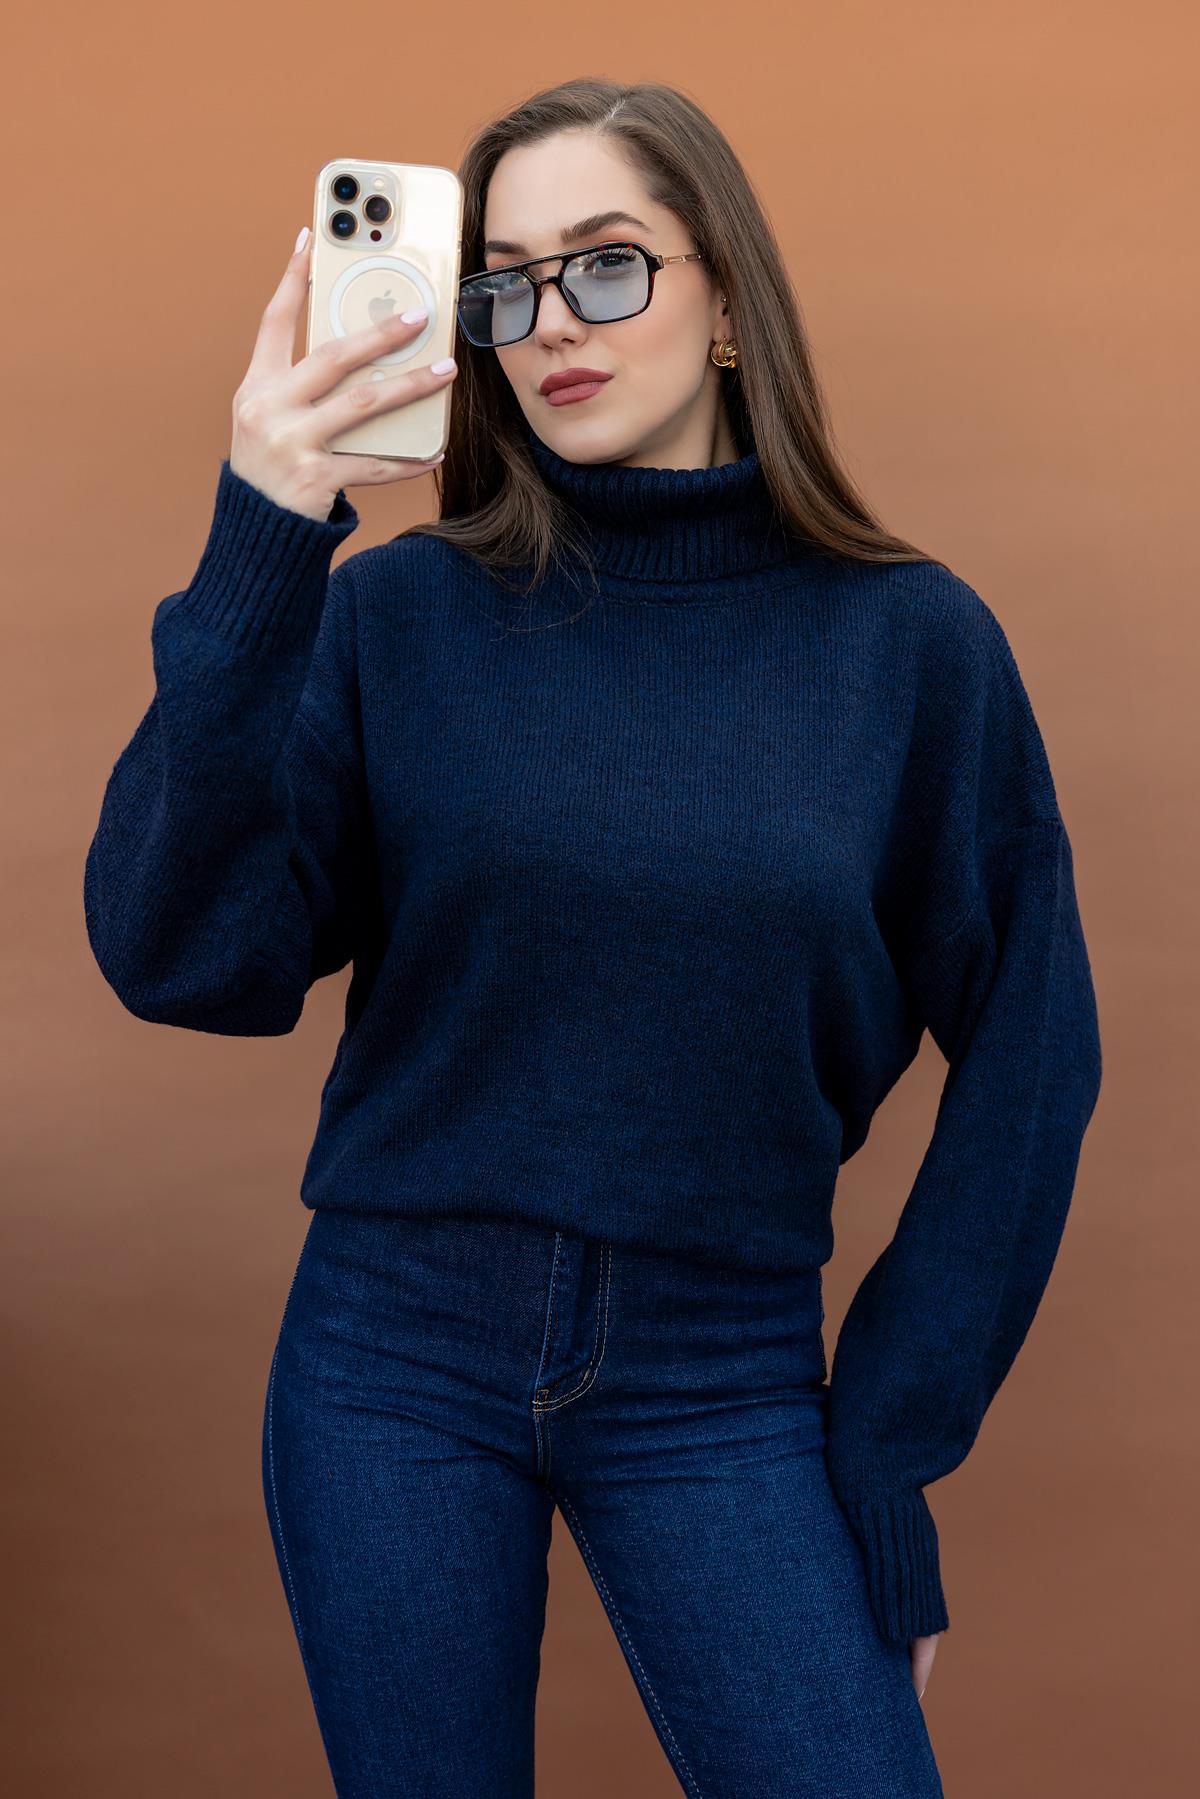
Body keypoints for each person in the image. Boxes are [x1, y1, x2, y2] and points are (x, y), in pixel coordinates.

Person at [83, 76, 1102, 1799]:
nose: (549, 322)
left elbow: (1036, 1054)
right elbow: (186, 956)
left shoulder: (909, 645)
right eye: (504, 283)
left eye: (608, 265)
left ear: (726, 300)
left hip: (726, 1383)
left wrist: (886, 1450)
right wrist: (268, 527)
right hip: (391, 1361)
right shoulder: (396, 618)